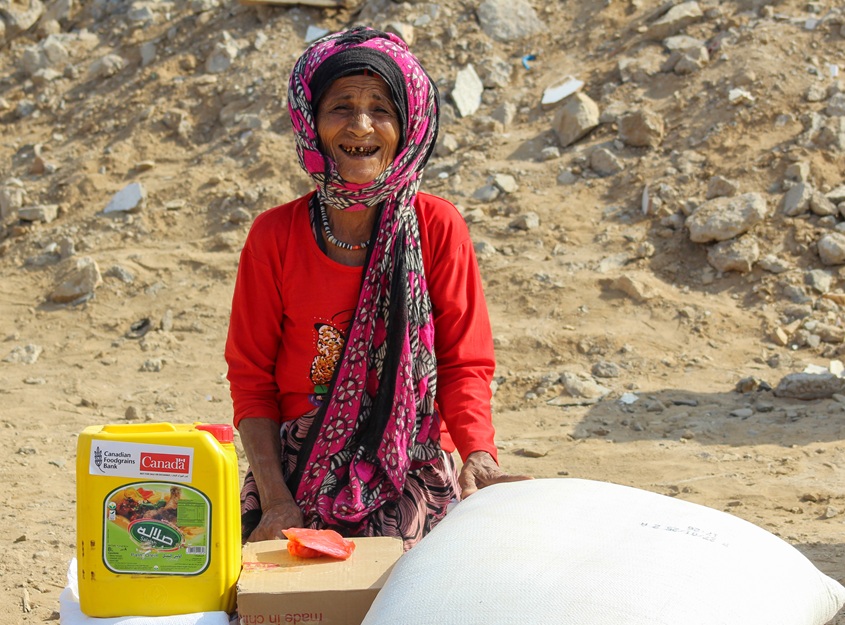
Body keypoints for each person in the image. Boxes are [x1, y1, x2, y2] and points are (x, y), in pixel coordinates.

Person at [225, 26, 530, 551]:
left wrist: (478, 453)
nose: (361, 126)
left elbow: (463, 363)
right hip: (297, 462)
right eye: (341, 107)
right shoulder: (274, 236)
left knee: (410, 570)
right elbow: (252, 380)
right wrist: (275, 499)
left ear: (407, 126)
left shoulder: (436, 226)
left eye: (381, 109)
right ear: (311, 123)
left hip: (410, 456)